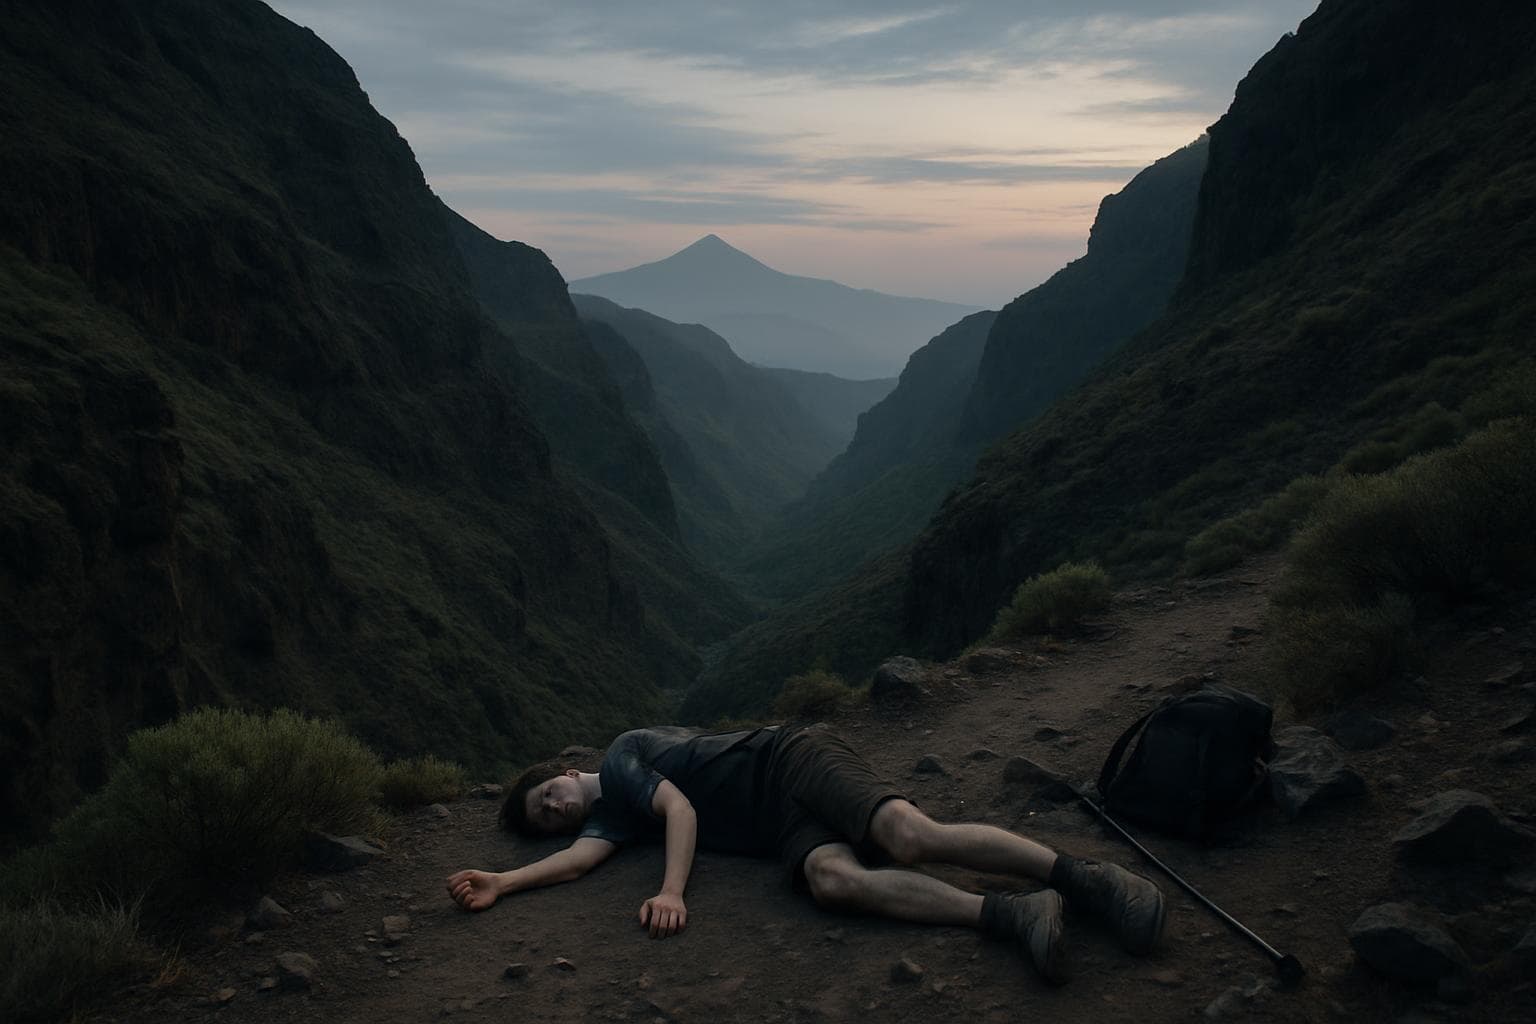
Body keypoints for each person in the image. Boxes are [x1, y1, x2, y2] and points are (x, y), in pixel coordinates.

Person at [446, 723, 1166, 984]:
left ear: (564, 772)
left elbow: (683, 809)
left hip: (790, 756)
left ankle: (1088, 879)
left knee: (908, 835)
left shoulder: (623, 759)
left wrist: (673, 891)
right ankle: (1016, 914)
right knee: (829, 877)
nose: (560, 814)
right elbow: (578, 861)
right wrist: (503, 882)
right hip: (774, 824)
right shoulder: (617, 820)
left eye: (550, 800)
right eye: (550, 821)